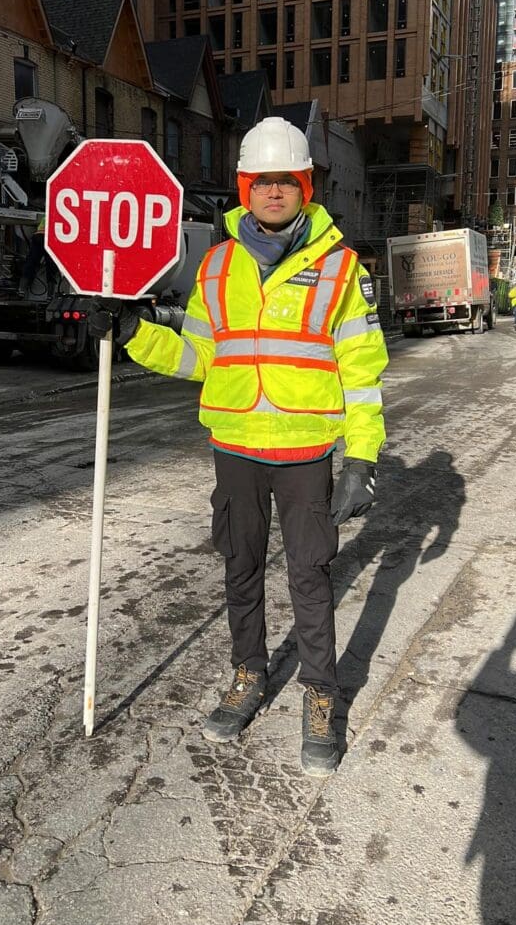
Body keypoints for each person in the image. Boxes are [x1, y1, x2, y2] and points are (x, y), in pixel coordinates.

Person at [88, 117, 389, 776]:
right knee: (239, 571)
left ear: (305, 185)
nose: (273, 192)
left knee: (310, 578)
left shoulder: (340, 269)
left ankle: (320, 697)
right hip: (235, 447)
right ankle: (248, 675)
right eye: (261, 181)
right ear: (245, 187)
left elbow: (362, 374)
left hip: (307, 451)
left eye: (287, 181)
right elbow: (199, 354)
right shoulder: (218, 263)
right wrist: (137, 332)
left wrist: (362, 457)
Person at [18, 213, 58, 298]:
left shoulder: (50, 211)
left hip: (39, 237)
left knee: (31, 262)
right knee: (51, 267)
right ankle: (51, 294)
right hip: (50, 238)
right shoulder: (61, 212)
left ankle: (21, 289)